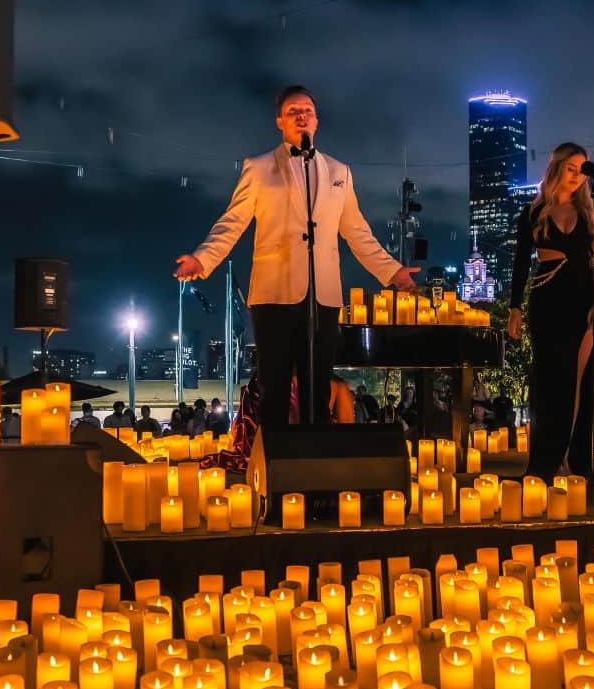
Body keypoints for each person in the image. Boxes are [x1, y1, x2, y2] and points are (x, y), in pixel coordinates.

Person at [175, 85, 417, 434]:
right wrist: (203, 258)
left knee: (317, 387)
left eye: (306, 110)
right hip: (273, 293)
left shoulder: (339, 172)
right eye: (292, 111)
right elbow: (233, 221)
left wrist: (393, 272)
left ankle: (315, 469)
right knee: (274, 388)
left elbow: (357, 232)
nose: (301, 115)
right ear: (280, 121)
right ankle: (275, 470)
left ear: (316, 120)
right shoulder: (258, 168)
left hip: (324, 295)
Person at [502, 144, 594, 478]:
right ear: (557, 169)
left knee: (581, 382)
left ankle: (579, 463)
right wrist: (514, 309)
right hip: (547, 301)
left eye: (582, 169)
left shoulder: (591, 213)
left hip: (583, 304)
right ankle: (544, 464)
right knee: (550, 382)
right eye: (571, 168)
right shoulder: (534, 211)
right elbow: (519, 262)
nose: (577, 176)